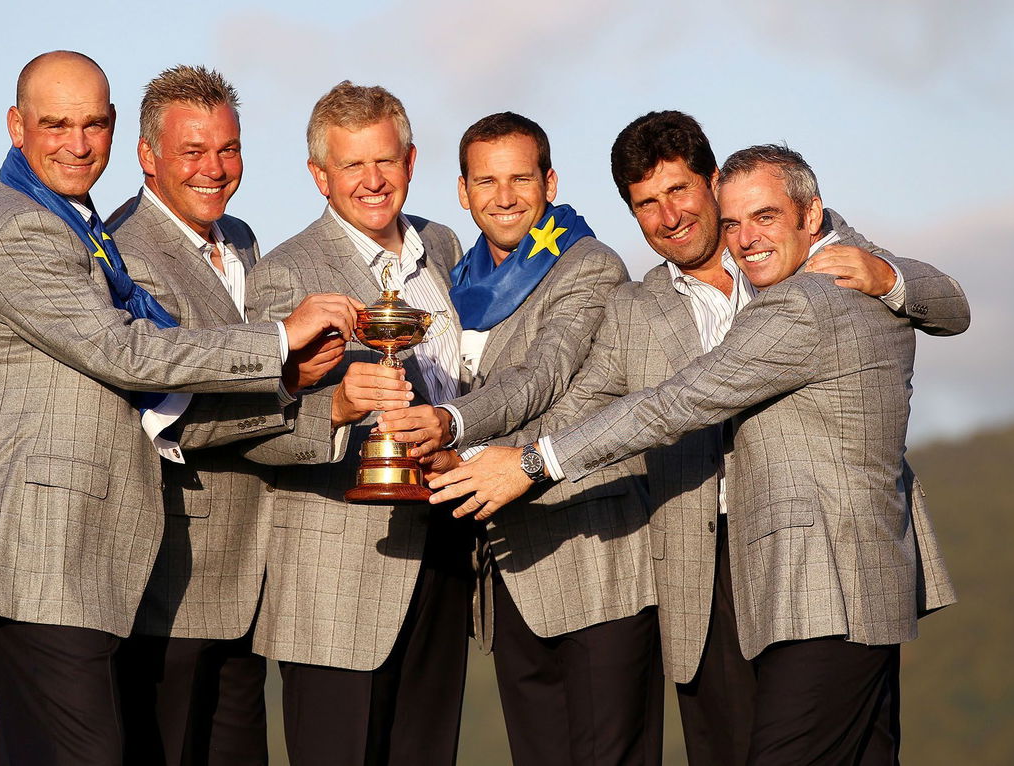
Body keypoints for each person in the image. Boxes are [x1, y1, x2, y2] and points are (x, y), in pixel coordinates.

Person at [391, 110, 961, 763]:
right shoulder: (637, 309)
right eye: (645, 205)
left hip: (823, 567)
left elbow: (950, 304)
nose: (669, 217)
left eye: (680, 193)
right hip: (703, 567)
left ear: (714, 183)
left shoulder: (815, 266)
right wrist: (475, 450)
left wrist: (890, 278)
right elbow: (583, 400)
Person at [0, 51, 358, 766]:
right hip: (42, 550)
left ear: (113, 129)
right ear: (16, 126)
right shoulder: (23, 227)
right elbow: (129, 355)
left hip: (85, 559)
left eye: (91, 125)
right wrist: (278, 342)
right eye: (55, 125)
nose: (77, 144)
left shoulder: (79, 227)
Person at [384, 111, 662, 765]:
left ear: (551, 182)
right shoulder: (455, 281)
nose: (504, 197)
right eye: (486, 181)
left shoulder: (587, 264)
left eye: (520, 178)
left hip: (594, 559)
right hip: (507, 568)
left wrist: (453, 429)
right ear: (462, 191)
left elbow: (545, 377)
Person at [107, 64, 341, 766]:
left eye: (228, 149)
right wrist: (298, 388)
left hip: (256, 574)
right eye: (192, 152)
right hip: (173, 579)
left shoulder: (239, 236)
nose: (214, 169)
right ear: (148, 156)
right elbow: (175, 416)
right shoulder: (124, 254)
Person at [240, 80, 473, 766]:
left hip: (444, 547)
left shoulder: (446, 246)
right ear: (320, 176)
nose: (372, 181)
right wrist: (338, 407)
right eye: (351, 166)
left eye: (385, 161)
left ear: (410, 160)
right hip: (335, 580)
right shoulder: (285, 273)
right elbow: (254, 427)